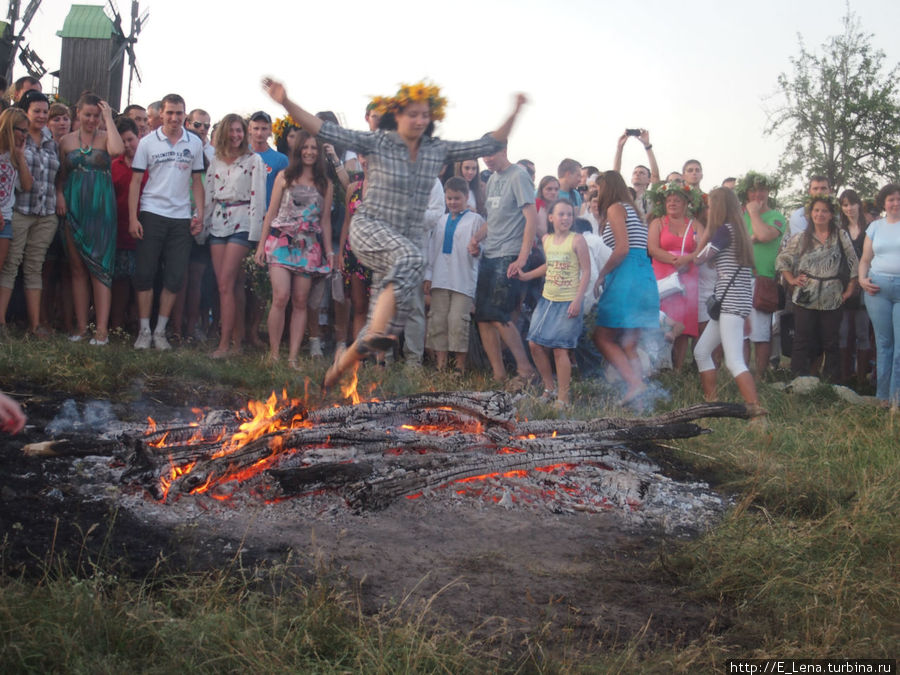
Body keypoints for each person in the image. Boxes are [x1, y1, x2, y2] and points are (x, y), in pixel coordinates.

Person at [264, 77, 525, 391]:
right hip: (371, 229)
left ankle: (342, 365)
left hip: (403, 247)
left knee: (381, 329)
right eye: (412, 113)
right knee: (409, 258)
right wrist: (286, 102)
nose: (418, 120)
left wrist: (515, 110)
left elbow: (488, 144)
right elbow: (325, 129)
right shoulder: (379, 143)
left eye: (424, 115)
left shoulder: (434, 150)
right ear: (397, 116)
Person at [128, 93, 205, 350]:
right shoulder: (148, 142)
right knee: (145, 274)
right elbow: (136, 182)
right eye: (170, 113)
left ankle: (160, 332)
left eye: (179, 113)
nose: (174, 118)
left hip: (181, 217)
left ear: (185, 114)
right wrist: (133, 217)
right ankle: (144, 331)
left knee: (174, 277)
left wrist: (200, 214)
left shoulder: (194, 143)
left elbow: (197, 182)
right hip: (152, 212)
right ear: (161, 114)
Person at [254, 129, 333, 367]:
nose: (309, 152)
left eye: (314, 148)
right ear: (298, 150)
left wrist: (329, 253)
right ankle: (275, 353)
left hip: (309, 246)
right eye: (305, 148)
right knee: (281, 296)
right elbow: (271, 213)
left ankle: (293, 357)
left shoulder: (325, 184)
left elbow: (325, 221)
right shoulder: (284, 177)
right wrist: (261, 245)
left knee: (301, 301)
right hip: (280, 242)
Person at [56, 93, 124, 345]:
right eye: (88, 115)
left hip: (101, 210)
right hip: (73, 206)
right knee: (76, 269)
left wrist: (108, 118)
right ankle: (82, 327)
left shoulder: (107, 138)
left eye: (96, 115)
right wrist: (59, 195)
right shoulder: (65, 141)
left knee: (101, 269)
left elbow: (117, 150)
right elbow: (60, 176)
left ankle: (102, 331)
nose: (91, 120)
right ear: (78, 113)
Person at [468, 145, 538, 388]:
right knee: (484, 316)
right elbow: (494, 219)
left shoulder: (518, 176)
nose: (487, 159)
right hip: (491, 252)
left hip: (510, 253)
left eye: (491, 154)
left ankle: (525, 369)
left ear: (504, 149)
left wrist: (522, 256)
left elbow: (531, 217)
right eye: (484, 155)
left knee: (500, 314)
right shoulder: (494, 179)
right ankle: (499, 375)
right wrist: (477, 238)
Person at [693, 188, 765, 416]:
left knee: (734, 361)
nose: (709, 209)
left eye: (712, 205)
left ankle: (756, 412)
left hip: (730, 302)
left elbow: (699, 258)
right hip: (734, 301)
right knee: (702, 351)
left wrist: (702, 239)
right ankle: (712, 403)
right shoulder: (739, 231)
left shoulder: (724, 231)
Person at [591, 170, 660, 404]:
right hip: (644, 276)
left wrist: (601, 275)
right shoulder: (635, 211)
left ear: (606, 189)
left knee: (602, 336)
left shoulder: (615, 208)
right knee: (629, 341)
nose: (596, 194)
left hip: (627, 277)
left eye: (598, 189)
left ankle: (635, 383)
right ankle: (639, 395)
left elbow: (621, 249)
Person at [776, 195, 858, 382]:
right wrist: (791, 279)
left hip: (832, 295)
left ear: (831, 214)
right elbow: (783, 259)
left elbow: (854, 261)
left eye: (824, 211)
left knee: (831, 341)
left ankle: (831, 383)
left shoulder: (840, 235)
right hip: (805, 295)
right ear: (810, 213)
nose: (820, 214)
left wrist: (850, 288)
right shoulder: (801, 237)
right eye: (816, 210)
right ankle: (798, 381)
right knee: (801, 340)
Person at [204, 114, 266, 358]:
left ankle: (224, 344)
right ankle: (237, 341)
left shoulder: (254, 160)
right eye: (231, 131)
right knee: (231, 286)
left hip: (242, 221)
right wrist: (203, 222)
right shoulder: (216, 160)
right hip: (218, 222)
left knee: (225, 284)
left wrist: (256, 234)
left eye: (239, 130)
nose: (235, 135)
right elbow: (209, 192)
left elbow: (258, 197)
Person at [519, 199, 589, 407]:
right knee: (534, 344)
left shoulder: (577, 240)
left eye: (569, 214)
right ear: (551, 218)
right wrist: (527, 276)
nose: (565, 218)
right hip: (548, 299)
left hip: (568, 300)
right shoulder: (547, 239)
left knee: (560, 349)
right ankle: (549, 388)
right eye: (561, 214)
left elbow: (586, 271)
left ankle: (563, 398)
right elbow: (549, 266)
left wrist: (578, 299)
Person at [0, 91, 59, 337]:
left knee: (34, 268)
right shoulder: (10, 146)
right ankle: (2, 323)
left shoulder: (51, 140)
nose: (42, 116)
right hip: (19, 211)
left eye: (46, 111)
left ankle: (35, 326)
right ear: (25, 112)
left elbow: (55, 177)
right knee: (10, 266)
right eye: (37, 111)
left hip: (45, 211)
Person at [424, 176, 483, 373]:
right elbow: (432, 249)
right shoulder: (440, 220)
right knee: (438, 320)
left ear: (466, 197)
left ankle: (459, 366)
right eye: (449, 198)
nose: (452, 202)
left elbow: (482, 247)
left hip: (463, 280)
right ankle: (440, 365)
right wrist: (429, 275)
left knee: (458, 322)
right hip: (440, 279)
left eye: (457, 198)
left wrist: (478, 250)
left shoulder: (475, 220)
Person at [646, 181, 703, 370]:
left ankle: (677, 368)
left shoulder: (695, 224)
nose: (672, 203)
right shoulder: (658, 222)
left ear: (686, 203)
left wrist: (687, 259)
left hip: (688, 277)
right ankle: (659, 365)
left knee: (684, 322)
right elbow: (652, 249)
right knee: (662, 318)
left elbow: (703, 249)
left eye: (677, 200)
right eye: (669, 200)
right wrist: (674, 260)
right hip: (663, 275)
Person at [737, 171, 786, 375]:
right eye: (753, 190)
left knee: (760, 332)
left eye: (762, 190)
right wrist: (752, 234)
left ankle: (760, 377)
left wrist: (754, 213)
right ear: (746, 193)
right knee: (742, 333)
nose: (758, 194)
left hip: (762, 279)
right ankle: (743, 373)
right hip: (739, 278)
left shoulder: (777, 217)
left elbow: (765, 235)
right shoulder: (739, 216)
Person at [858, 183, 900, 407]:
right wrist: (863, 279)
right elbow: (865, 260)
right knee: (884, 344)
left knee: (899, 348)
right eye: (891, 199)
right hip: (877, 289)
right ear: (884, 203)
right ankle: (882, 398)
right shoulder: (875, 227)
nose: (895, 203)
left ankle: (897, 399)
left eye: (898, 199)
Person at [109, 116, 145, 333]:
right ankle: (116, 324)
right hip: (119, 232)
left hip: (145, 232)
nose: (128, 145)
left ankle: (140, 326)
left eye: (131, 139)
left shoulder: (151, 164)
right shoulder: (113, 166)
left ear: (138, 136)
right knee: (120, 281)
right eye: (123, 141)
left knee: (141, 281)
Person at [0, 108, 33, 325]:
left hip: (6, 219)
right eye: (21, 130)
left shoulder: (14, 156)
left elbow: (27, 186)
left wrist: (20, 158)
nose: (24, 135)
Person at [837, 189, 871, 385]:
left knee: (862, 332)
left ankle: (861, 379)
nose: (849, 208)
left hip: (865, 285)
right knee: (842, 332)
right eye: (845, 204)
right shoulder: (839, 230)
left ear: (859, 204)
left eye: (852, 203)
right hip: (843, 286)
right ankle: (843, 376)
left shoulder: (870, 228)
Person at [612, 129, 660, 220]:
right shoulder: (625, 196)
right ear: (631, 179)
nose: (637, 174)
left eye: (642, 173)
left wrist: (647, 146)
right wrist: (619, 148)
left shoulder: (651, 197)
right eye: (635, 173)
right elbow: (615, 177)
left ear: (649, 180)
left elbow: (655, 176)